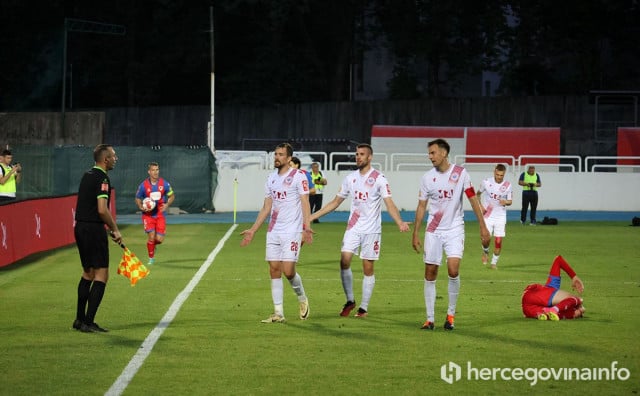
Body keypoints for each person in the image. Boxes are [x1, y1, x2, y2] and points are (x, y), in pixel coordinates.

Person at [310, 143, 410, 318]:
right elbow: (335, 202)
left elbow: (389, 203)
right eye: (356, 154)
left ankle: (363, 308)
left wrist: (399, 222)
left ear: (369, 157)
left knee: (367, 267)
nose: (358, 157)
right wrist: (311, 217)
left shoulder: (379, 178)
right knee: (344, 260)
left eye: (362, 154)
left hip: (372, 231)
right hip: (354, 227)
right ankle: (350, 300)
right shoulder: (350, 178)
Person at [412, 138, 490, 331]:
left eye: (433, 153)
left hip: (455, 228)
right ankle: (430, 319)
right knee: (430, 272)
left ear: (444, 153)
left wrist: (483, 226)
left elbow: (472, 199)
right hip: (434, 230)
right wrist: (415, 232)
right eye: (429, 153)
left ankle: (451, 315)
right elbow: (422, 206)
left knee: (453, 270)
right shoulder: (427, 178)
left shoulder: (460, 173)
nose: (430, 157)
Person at [240, 143, 313, 323]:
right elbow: (266, 207)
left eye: (280, 155)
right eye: (275, 154)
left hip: (293, 230)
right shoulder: (271, 178)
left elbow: (305, 201)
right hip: (274, 230)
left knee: (288, 271)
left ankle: (302, 298)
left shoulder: (298, 177)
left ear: (289, 158)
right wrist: (253, 230)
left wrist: (307, 226)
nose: (277, 157)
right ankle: (278, 313)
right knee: (274, 269)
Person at [72, 144, 122, 333]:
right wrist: (114, 228)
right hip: (93, 229)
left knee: (88, 273)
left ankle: (79, 319)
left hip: (80, 227)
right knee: (102, 275)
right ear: (105, 159)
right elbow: (102, 209)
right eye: (113, 156)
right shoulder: (103, 178)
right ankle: (89, 322)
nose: (115, 159)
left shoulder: (87, 175)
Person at [135, 162, 175, 265]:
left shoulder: (164, 184)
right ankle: (151, 258)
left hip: (160, 215)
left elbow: (172, 196)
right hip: (148, 216)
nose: (155, 172)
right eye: (153, 170)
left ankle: (152, 245)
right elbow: (138, 198)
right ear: (149, 172)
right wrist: (141, 206)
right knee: (151, 236)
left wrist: (166, 205)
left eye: (157, 170)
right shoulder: (143, 186)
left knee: (159, 240)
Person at [522, 255, 585, 320]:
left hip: (529, 307)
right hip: (532, 297)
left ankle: (545, 313)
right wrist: (574, 277)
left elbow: (558, 260)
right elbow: (558, 260)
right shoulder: (551, 287)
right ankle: (553, 310)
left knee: (574, 304)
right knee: (577, 300)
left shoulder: (552, 285)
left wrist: (574, 277)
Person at [477, 164, 513, 269]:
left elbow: (510, 201)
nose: (499, 177)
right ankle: (485, 251)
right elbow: (477, 194)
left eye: (501, 175)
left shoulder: (507, 185)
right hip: (488, 215)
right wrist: (481, 207)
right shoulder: (486, 182)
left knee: (498, 241)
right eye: (497, 174)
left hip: (500, 216)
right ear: (494, 172)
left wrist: (505, 201)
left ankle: (493, 263)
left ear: (504, 174)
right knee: (486, 239)